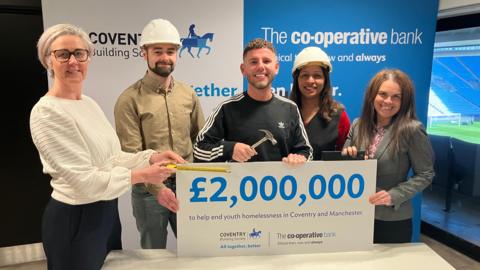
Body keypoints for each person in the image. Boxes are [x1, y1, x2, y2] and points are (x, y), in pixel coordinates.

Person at [31, 23, 183, 270]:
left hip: (106, 213)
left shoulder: (88, 103)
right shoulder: (46, 112)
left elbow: (111, 159)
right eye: (63, 54)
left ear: (88, 58)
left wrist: (151, 157)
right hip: (76, 217)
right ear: (48, 61)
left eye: (80, 53)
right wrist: (143, 174)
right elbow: (82, 181)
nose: (73, 61)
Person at [114, 18, 205, 249]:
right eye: (158, 51)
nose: (165, 57)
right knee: (153, 255)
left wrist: (201, 181)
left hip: (188, 185)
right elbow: (132, 154)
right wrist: (158, 189)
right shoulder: (129, 100)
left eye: (171, 51)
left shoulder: (188, 94)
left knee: (196, 250)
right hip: (148, 191)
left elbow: (201, 141)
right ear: (144, 53)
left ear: (177, 53)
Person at [342, 69, 434, 243]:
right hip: (355, 214)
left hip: (391, 219)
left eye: (396, 97)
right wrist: (347, 156)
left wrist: (394, 195)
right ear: (372, 96)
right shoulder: (357, 125)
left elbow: (426, 174)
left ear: (404, 100)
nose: (388, 101)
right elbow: (345, 163)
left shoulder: (412, 130)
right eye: (382, 94)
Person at [194, 38, 312, 164]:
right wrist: (229, 149)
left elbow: (307, 152)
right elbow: (198, 149)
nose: (260, 66)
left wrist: (299, 158)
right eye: (254, 62)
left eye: (266, 61)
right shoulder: (227, 108)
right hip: (237, 183)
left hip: (281, 183)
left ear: (276, 68)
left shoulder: (290, 108)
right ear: (243, 69)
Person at [290, 47, 350, 160]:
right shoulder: (285, 112)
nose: (310, 80)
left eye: (317, 75)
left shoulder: (339, 116)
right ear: (297, 79)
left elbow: (346, 159)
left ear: (325, 80)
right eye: (305, 75)